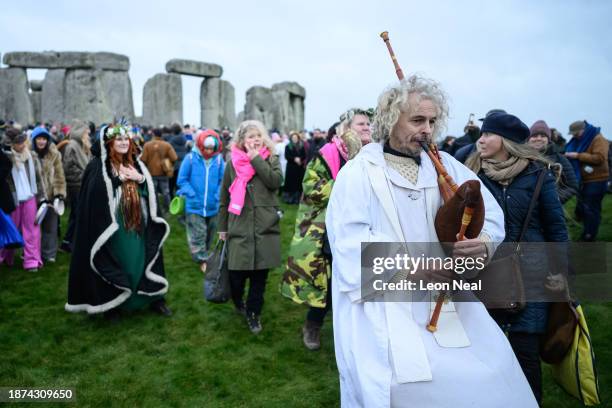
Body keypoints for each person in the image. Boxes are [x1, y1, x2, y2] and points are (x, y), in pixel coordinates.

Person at [325, 76, 537, 407]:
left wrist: (481, 242)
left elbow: (489, 215)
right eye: (417, 120)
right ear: (391, 118)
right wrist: (411, 267)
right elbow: (348, 241)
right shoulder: (359, 172)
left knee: (491, 374)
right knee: (405, 386)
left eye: (432, 121)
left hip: (447, 297)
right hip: (387, 303)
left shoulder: (446, 167)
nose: (427, 129)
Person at [465, 112, 569, 404]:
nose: (481, 140)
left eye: (488, 134)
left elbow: (556, 228)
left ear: (506, 141)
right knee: (487, 352)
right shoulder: (472, 173)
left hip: (532, 276)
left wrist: (561, 269)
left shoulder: (538, 175)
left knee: (526, 354)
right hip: (486, 273)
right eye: (481, 134)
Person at [282, 111, 371, 351]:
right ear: (347, 128)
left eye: (369, 123)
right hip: (328, 230)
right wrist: (347, 186)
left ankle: (355, 335)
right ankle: (313, 325)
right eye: (361, 123)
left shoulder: (374, 155)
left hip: (363, 230)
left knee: (358, 285)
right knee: (328, 284)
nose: (367, 127)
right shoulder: (327, 154)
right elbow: (312, 188)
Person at [65, 123, 171, 318]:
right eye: (118, 139)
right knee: (119, 262)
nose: (123, 142)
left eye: (125, 139)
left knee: (141, 261)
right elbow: (94, 196)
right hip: (113, 226)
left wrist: (140, 179)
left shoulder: (136, 163)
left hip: (138, 223)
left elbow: (149, 193)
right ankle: (113, 304)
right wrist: (117, 180)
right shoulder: (98, 166)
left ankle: (152, 298)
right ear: (109, 143)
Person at [218, 120, 282, 334]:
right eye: (250, 137)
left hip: (265, 226)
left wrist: (256, 159)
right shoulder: (231, 164)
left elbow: (275, 181)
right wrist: (222, 227)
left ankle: (254, 314)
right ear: (242, 141)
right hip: (239, 226)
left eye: (258, 136)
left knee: (259, 278)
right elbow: (224, 199)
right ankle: (238, 301)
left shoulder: (272, 158)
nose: (255, 140)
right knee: (236, 276)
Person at [177, 129, 224, 274]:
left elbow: (223, 180)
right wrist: (192, 194)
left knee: (210, 233)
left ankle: (205, 253)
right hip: (194, 205)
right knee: (199, 234)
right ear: (201, 145)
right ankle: (202, 260)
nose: (209, 151)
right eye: (206, 148)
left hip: (213, 205)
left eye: (212, 148)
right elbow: (182, 180)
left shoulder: (219, 160)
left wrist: (217, 195)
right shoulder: (190, 158)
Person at [0, 127, 43, 272]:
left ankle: (31, 261)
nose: (23, 145)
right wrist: (6, 154)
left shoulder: (30, 156)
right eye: (19, 143)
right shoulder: (5, 157)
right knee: (9, 228)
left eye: (23, 142)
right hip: (12, 198)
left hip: (30, 196)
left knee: (32, 229)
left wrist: (42, 196)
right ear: (11, 144)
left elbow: (38, 178)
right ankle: (5, 257)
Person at [564, 120, 609, 241]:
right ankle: (588, 230)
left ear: (583, 130)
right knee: (586, 207)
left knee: (591, 208)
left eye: (575, 133)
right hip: (586, 180)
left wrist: (577, 156)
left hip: (597, 180)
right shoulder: (583, 140)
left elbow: (600, 158)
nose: (574, 136)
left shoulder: (598, 139)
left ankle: (589, 236)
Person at [31, 127, 66, 263]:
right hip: (33, 196)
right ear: (34, 140)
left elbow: (59, 175)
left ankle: (49, 253)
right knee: (33, 227)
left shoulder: (54, 154)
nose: (41, 141)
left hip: (51, 196)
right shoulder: (29, 154)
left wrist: (59, 194)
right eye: (39, 139)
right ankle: (32, 254)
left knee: (50, 227)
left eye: (44, 139)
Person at [527, 120, 578, 204]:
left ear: (548, 139)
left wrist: (554, 200)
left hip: (549, 211)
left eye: (543, 136)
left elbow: (572, 186)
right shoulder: (519, 157)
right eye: (534, 135)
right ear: (529, 139)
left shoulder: (560, 159)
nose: (539, 138)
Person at [61, 120, 91, 252]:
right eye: (86, 132)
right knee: (77, 214)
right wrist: (84, 175)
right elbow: (68, 168)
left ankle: (70, 241)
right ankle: (68, 242)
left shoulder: (83, 145)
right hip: (76, 185)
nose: (88, 134)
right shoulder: (72, 145)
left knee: (78, 214)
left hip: (83, 184)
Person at [140, 127, 178, 215]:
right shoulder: (167, 145)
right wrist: (168, 163)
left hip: (151, 173)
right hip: (164, 173)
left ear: (153, 134)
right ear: (161, 135)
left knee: (153, 192)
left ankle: (154, 209)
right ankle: (168, 208)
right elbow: (174, 158)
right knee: (166, 192)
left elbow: (143, 159)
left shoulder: (147, 145)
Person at [283, 131, 307, 204]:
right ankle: (289, 199)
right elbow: (287, 156)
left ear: (298, 138)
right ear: (291, 139)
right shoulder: (288, 146)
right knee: (291, 184)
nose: (294, 139)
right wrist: (294, 159)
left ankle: (297, 199)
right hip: (291, 168)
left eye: (296, 138)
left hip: (299, 168)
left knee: (298, 184)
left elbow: (304, 155)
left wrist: (300, 159)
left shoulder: (301, 146)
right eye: (293, 138)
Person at [165, 122, 188, 196]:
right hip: (184, 165)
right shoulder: (185, 140)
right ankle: (181, 202)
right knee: (181, 186)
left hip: (174, 166)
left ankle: (173, 203)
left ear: (173, 131)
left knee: (171, 186)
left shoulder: (171, 142)